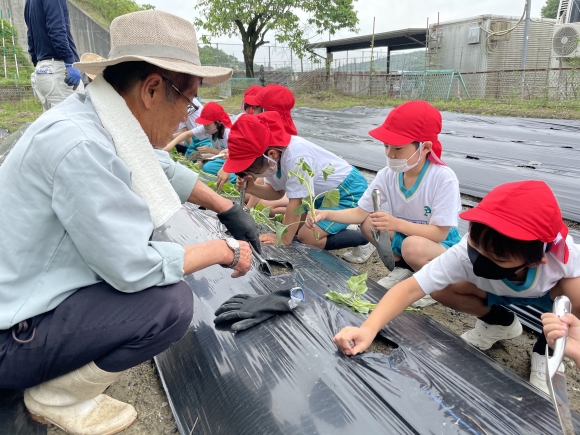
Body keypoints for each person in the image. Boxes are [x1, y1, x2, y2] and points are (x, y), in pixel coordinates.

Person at [0, 10, 261, 435]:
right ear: (153, 89)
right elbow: (132, 268)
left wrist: (225, 207)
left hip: (20, 286)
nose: (188, 119)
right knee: (168, 306)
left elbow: (158, 166)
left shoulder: (95, 115)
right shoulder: (82, 145)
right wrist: (221, 249)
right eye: (189, 101)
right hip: (9, 329)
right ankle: (52, 396)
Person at [333, 180, 580, 395]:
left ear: (536, 260)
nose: (480, 257)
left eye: (497, 258)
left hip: (546, 298)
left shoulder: (563, 259)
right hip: (492, 292)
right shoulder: (466, 252)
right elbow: (409, 289)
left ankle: (547, 347)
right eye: (476, 245)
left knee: (576, 289)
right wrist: (368, 329)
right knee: (438, 286)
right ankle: (500, 323)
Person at [306, 101, 462, 302]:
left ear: (425, 148)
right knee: (369, 222)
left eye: (397, 148)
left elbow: (440, 232)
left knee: (412, 246)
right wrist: (326, 214)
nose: (390, 154)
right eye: (386, 146)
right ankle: (403, 269)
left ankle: (435, 283)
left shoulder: (442, 178)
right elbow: (359, 213)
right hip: (407, 236)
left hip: (440, 245)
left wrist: (396, 224)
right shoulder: (388, 175)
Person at [225, 112, 368, 249]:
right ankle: (340, 223)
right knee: (296, 224)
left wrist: (283, 239)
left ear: (272, 154)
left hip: (346, 192)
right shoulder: (271, 158)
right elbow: (277, 192)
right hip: (318, 197)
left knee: (307, 237)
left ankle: (360, 233)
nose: (253, 174)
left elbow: (296, 201)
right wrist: (252, 188)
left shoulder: (295, 157)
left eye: (253, 170)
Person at [25, 0, 84, 111]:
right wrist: (69, 62)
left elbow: (30, 37)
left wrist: (39, 64)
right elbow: (57, 30)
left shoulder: (29, 2)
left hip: (42, 70)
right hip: (58, 70)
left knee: (55, 123)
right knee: (78, 117)